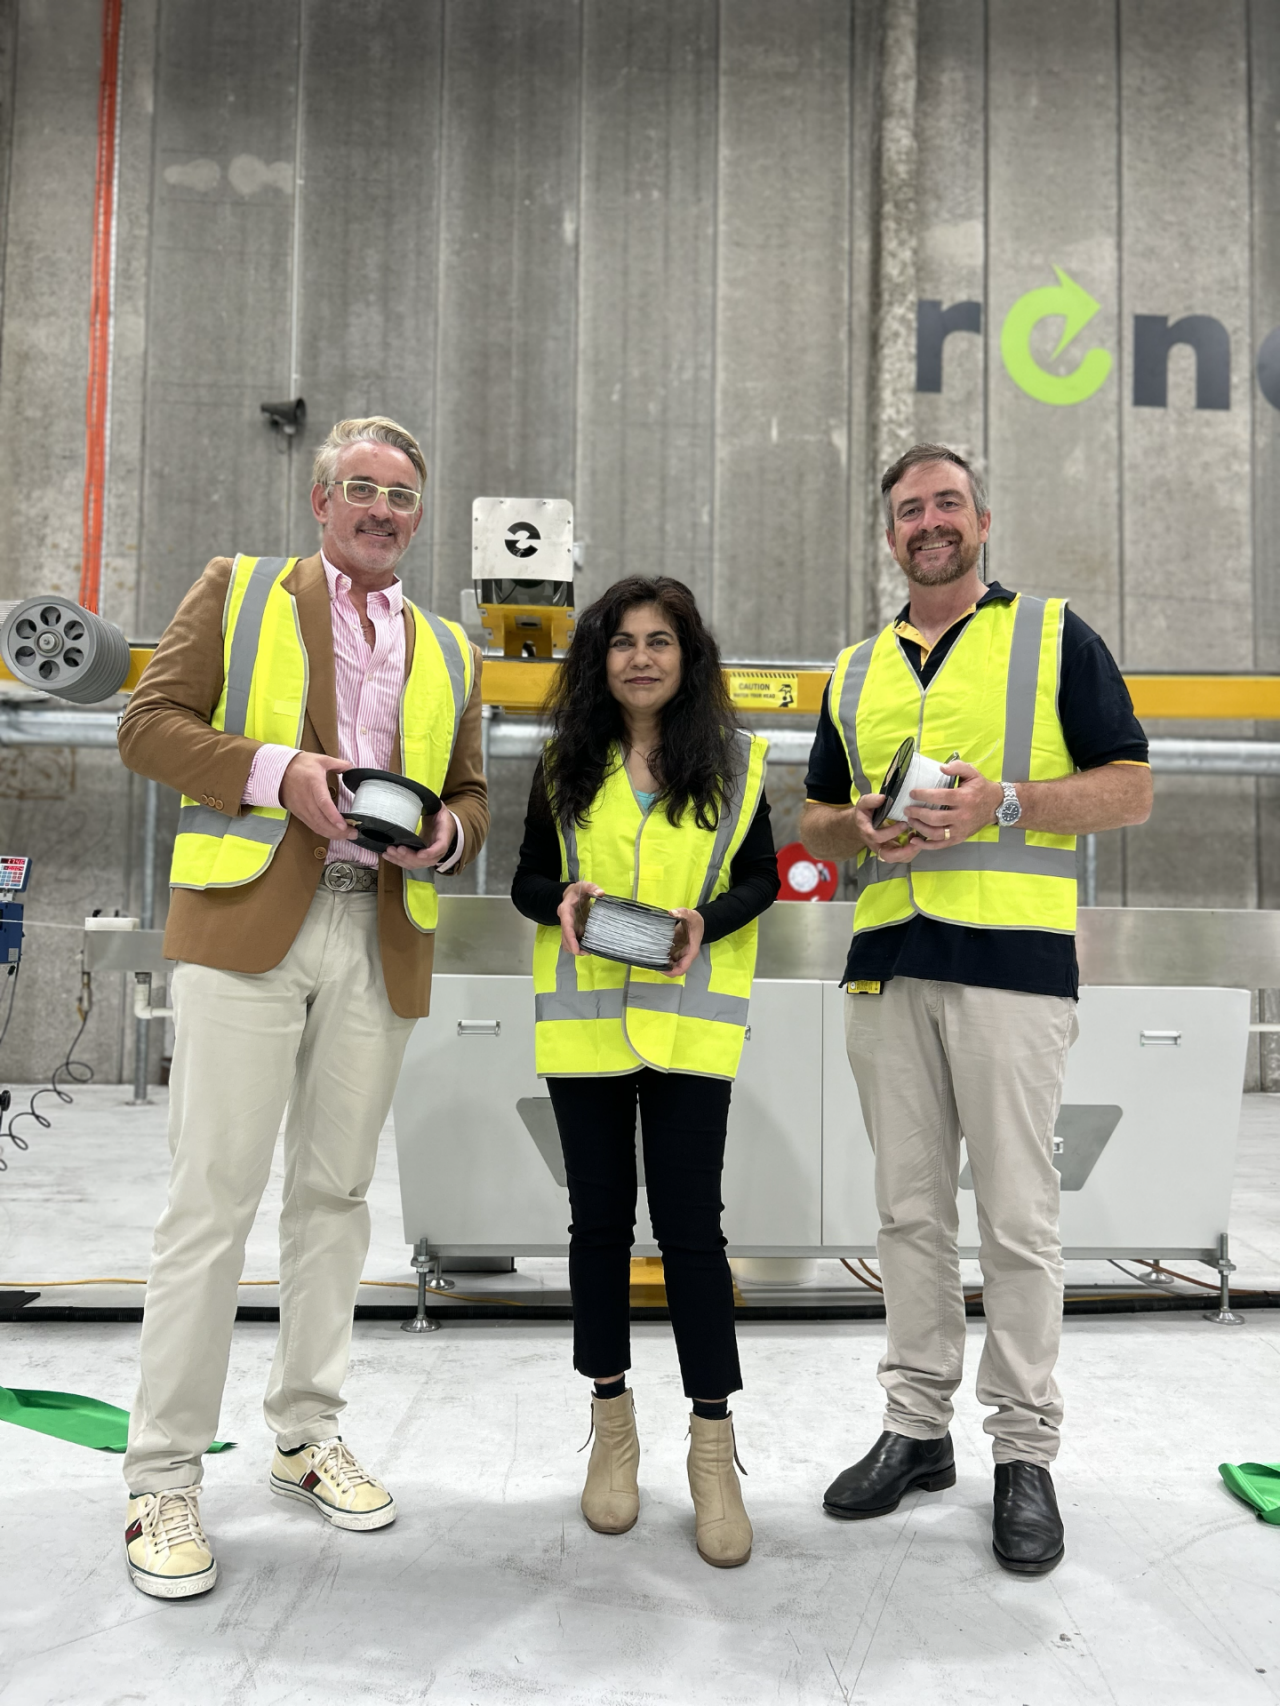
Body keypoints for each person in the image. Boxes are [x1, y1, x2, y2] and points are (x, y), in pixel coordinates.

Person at [116, 416, 488, 1598]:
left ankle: (303, 1432)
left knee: (333, 1198)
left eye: (403, 497)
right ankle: (162, 1479)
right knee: (210, 1202)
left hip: (377, 930)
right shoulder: (239, 590)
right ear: (321, 498)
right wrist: (286, 775)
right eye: (363, 489)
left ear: (417, 518)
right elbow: (147, 726)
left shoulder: (451, 648)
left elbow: (470, 790)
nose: (384, 510)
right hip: (248, 923)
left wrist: (449, 834)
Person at [800, 443, 1152, 1575]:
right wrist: (855, 823)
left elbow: (1129, 786)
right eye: (908, 509)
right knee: (906, 1214)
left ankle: (1023, 1451)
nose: (928, 521)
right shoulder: (853, 667)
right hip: (888, 966)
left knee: (1015, 1218)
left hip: (1010, 966)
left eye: (946, 502)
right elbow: (809, 820)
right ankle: (914, 1430)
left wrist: (1007, 801)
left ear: (981, 520)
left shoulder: (1051, 635)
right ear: (888, 533)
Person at [511, 576, 779, 1568]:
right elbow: (524, 878)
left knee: (690, 1232)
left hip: (686, 1029)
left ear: (687, 655)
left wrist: (712, 919)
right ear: (598, 660)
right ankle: (610, 1428)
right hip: (585, 1031)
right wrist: (563, 900)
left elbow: (762, 875)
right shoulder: (561, 764)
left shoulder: (737, 764)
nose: (638, 656)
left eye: (658, 640)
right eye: (620, 641)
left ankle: (713, 1448)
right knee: (595, 1228)